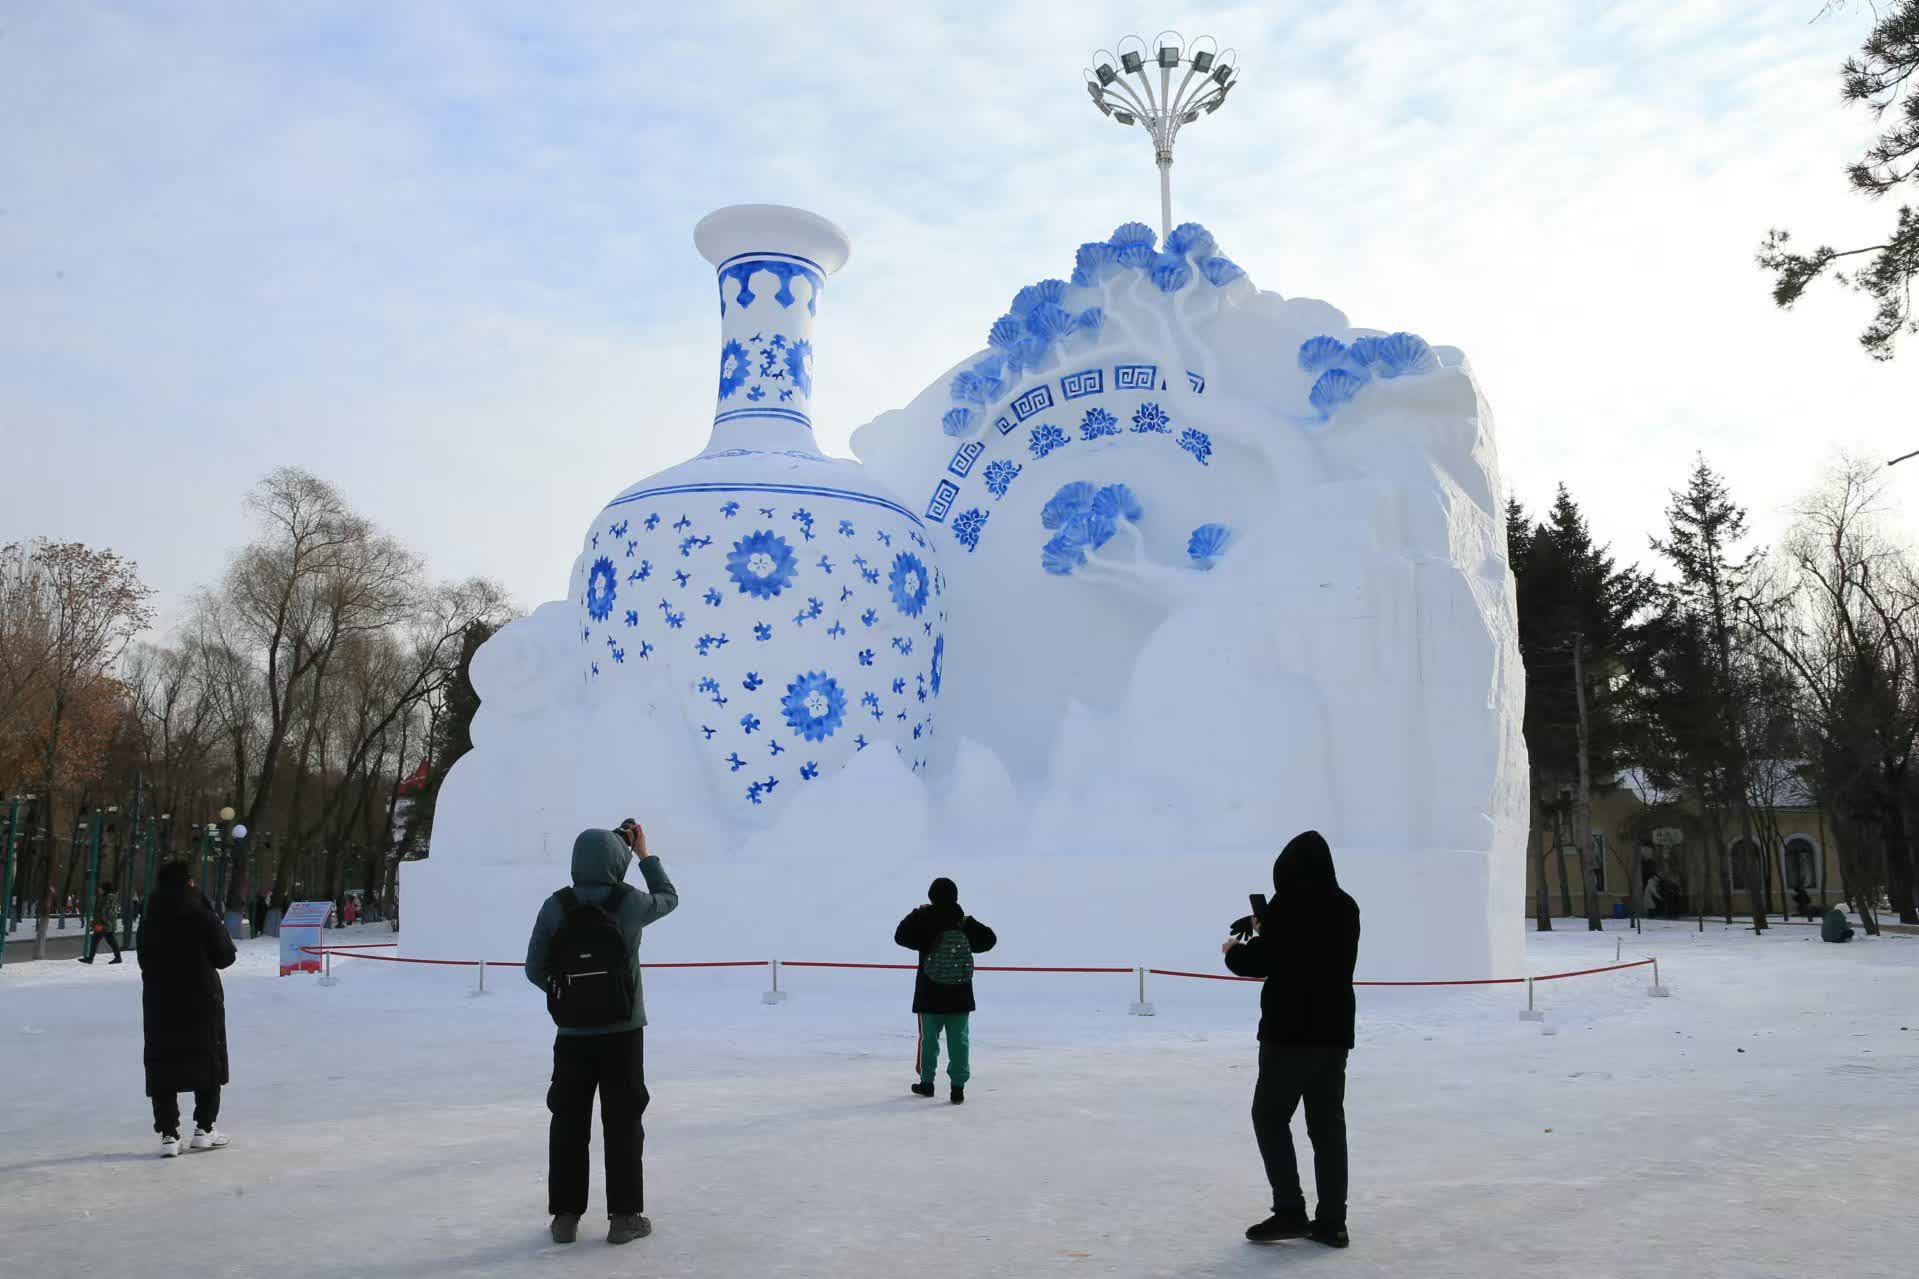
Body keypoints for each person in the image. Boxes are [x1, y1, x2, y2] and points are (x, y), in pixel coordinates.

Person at [524, 819, 678, 1247]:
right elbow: (669, 898)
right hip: (623, 1032)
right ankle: (625, 1217)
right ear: (617, 861)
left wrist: (567, 997)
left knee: (568, 1121)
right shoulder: (629, 902)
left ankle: (566, 1217)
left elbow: (534, 968)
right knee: (624, 1121)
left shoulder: (556, 906)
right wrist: (645, 854)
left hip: (571, 1035)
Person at [1223, 830, 1360, 1250]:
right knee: (1327, 1127)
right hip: (1333, 1033)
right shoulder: (1345, 905)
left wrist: (1232, 950)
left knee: (1269, 1116)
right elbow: (1309, 945)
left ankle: (1289, 1210)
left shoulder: (1287, 907)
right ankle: (1332, 1222)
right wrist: (1264, 924)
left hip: (1289, 1034)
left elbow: (1261, 961)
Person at [137, 862, 236, 1157]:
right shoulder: (199, 913)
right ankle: (204, 1128)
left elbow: (143, 957)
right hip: (201, 999)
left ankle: (168, 1133)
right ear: (189, 883)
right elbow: (225, 956)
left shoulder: (150, 916)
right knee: (206, 1058)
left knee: (163, 1061)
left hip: (159, 1001)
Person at [893, 877, 997, 1105]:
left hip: (929, 994)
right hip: (960, 995)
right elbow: (990, 940)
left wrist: (917, 912)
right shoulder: (963, 922)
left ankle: (927, 1083)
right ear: (955, 897)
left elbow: (900, 936)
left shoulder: (924, 920)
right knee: (959, 1041)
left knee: (928, 1040)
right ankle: (957, 1088)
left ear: (931, 897)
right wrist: (967, 922)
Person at [80, 882, 123, 963]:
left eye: (101, 888)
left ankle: (90, 959)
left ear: (105, 889)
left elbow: (103, 911)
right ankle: (118, 958)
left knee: (96, 939)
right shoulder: (109, 897)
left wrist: (101, 923)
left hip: (104, 924)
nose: (99, 890)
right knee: (110, 940)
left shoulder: (107, 897)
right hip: (107, 923)